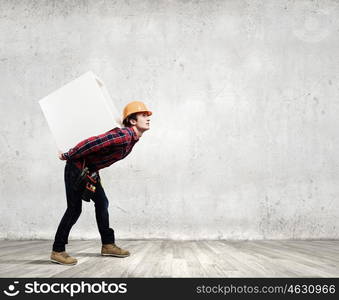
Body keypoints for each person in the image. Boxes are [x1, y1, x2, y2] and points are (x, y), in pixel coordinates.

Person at [50, 101, 152, 265]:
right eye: (143, 115)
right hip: (77, 168)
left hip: (90, 172)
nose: (148, 118)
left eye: (148, 116)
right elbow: (91, 143)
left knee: (102, 202)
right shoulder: (124, 135)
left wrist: (94, 171)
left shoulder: (132, 138)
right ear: (133, 121)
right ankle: (58, 250)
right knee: (74, 209)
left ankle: (107, 245)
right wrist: (68, 155)